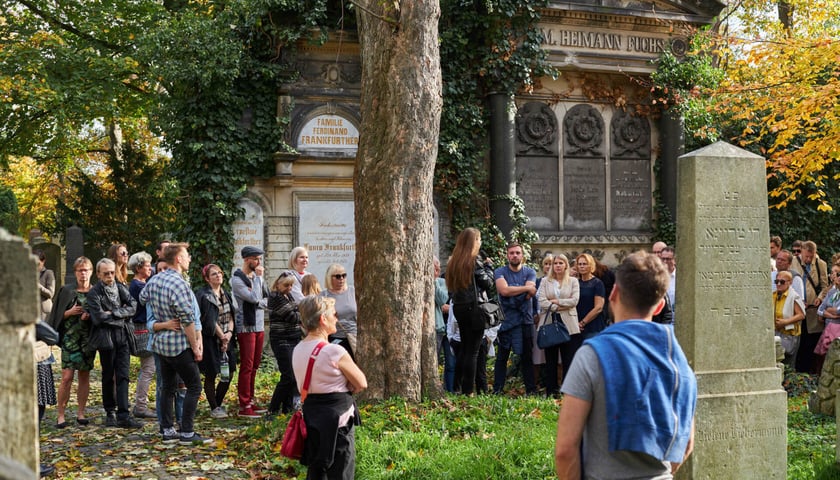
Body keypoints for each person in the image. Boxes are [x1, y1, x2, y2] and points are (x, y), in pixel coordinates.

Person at [555, 251, 697, 479]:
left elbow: (565, 450)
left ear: (614, 293)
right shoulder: (678, 358)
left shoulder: (592, 355)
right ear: (660, 306)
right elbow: (687, 442)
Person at [140, 242, 212, 445]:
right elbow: (187, 319)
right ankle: (187, 432)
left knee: (167, 388)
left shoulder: (155, 280)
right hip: (178, 345)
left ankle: (167, 430)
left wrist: (161, 312)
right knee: (194, 386)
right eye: (187, 255)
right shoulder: (179, 283)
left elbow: (143, 297)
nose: (189, 258)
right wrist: (196, 345)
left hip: (161, 345)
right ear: (178, 259)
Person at [293, 295, 367, 478]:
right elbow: (361, 383)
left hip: (312, 418)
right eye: (334, 314)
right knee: (341, 471)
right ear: (322, 319)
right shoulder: (334, 351)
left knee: (317, 471)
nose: (337, 318)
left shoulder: (298, 349)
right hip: (338, 423)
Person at [87, 258, 142, 428]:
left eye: (112, 272)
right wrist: (122, 316)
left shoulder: (120, 287)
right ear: (98, 274)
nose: (110, 276)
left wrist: (114, 313)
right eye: (106, 273)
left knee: (123, 375)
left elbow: (133, 306)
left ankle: (124, 414)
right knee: (108, 375)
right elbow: (98, 318)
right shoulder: (94, 293)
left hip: (123, 337)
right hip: (106, 339)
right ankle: (110, 411)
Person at [445, 228, 495, 396]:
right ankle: (468, 391)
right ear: (473, 242)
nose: (480, 243)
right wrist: (489, 267)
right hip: (474, 308)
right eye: (479, 239)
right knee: (473, 351)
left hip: (459, 306)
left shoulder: (454, 262)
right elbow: (487, 283)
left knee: (465, 348)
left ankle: (457, 387)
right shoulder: (474, 261)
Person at [48, 256, 95, 428]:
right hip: (69, 338)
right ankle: (61, 415)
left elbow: (102, 315)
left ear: (91, 272)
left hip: (87, 340)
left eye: (86, 270)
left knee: (84, 375)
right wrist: (69, 312)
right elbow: (55, 315)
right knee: (67, 377)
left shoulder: (95, 292)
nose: (83, 274)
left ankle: (81, 413)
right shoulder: (66, 291)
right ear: (75, 273)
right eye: (80, 270)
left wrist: (90, 315)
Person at [493, 243, 538, 395]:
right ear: (507, 256)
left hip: (525, 320)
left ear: (522, 255)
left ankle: (531, 390)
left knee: (527, 357)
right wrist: (525, 288)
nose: (515, 255)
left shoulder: (530, 272)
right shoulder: (500, 271)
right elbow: (504, 291)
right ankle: (497, 390)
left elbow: (530, 293)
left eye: (518, 253)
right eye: (511, 253)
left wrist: (516, 292)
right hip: (506, 320)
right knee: (502, 357)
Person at [231, 245, 269, 418]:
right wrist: (259, 280)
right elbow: (254, 298)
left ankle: (251, 400)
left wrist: (259, 300)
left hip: (259, 325)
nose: (258, 262)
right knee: (246, 366)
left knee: (255, 365)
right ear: (246, 259)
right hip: (246, 326)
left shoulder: (256, 278)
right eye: (256, 259)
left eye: (259, 259)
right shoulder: (238, 279)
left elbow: (266, 298)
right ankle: (244, 404)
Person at [196, 263, 237, 419]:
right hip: (211, 340)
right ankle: (214, 407)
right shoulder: (204, 295)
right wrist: (222, 336)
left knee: (229, 372)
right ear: (207, 278)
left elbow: (231, 316)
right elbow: (209, 320)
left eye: (220, 272)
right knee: (211, 373)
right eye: (214, 274)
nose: (218, 275)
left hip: (228, 338)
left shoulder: (225, 293)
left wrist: (229, 333)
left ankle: (218, 403)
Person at [537, 254, 581, 396]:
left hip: (568, 323)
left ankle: (567, 390)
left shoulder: (573, 281)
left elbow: (574, 301)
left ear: (566, 265)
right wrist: (559, 305)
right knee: (551, 360)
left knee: (568, 359)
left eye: (561, 263)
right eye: (555, 263)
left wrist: (556, 301)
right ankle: (551, 390)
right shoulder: (545, 281)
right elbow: (542, 301)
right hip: (550, 321)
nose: (557, 265)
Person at [791, 240, 829, 374]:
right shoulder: (793, 262)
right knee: (797, 342)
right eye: (806, 256)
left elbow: (825, 286)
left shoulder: (821, 264)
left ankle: (809, 373)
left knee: (810, 343)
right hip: (796, 308)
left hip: (812, 310)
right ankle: (796, 371)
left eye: (810, 257)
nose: (808, 259)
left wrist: (819, 297)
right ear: (801, 251)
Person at [267, 271, 302, 415]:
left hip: (294, 338)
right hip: (281, 339)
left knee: (293, 376)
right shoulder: (275, 297)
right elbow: (292, 317)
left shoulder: (288, 295)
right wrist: (303, 314)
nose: (289, 288)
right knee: (288, 376)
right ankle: (273, 408)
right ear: (278, 283)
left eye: (291, 285)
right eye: (286, 285)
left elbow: (297, 311)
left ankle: (286, 409)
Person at [127, 251, 156, 419]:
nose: (150, 268)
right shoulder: (139, 286)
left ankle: (141, 404)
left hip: (142, 328)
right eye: (147, 265)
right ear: (138, 268)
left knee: (148, 368)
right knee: (148, 368)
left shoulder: (139, 284)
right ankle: (141, 405)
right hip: (142, 329)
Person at [321, 264, 358, 359]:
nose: (341, 279)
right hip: (335, 338)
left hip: (355, 337)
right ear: (330, 278)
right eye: (337, 276)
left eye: (344, 275)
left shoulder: (353, 291)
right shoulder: (323, 296)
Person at [773, 270, 806, 365]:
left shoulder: (794, 296)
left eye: (782, 282)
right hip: (775, 332)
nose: (778, 284)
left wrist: (785, 322)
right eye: (776, 281)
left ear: (790, 282)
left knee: (788, 363)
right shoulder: (773, 295)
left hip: (789, 334)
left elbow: (801, 315)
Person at [434, 257, 455, 393]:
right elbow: (442, 304)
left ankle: (451, 390)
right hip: (438, 326)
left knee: (451, 362)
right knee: (433, 361)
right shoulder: (442, 279)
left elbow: (442, 299)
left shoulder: (442, 282)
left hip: (451, 327)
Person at [575, 253, 606, 339]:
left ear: (591, 265)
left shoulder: (597, 283)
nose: (582, 266)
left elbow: (598, 307)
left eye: (584, 264)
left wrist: (582, 323)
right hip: (575, 327)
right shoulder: (575, 283)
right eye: (579, 264)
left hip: (593, 327)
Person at [815, 264, 840, 366]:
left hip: (838, 331)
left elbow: (839, 311)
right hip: (828, 329)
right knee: (825, 358)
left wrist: (828, 310)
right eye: (837, 274)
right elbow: (820, 310)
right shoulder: (831, 292)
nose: (838, 277)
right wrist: (831, 314)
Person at [660, 247, 676, 311]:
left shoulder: (680, 277)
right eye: (663, 259)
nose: (665, 261)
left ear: (674, 260)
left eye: (668, 259)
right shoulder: (657, 276)